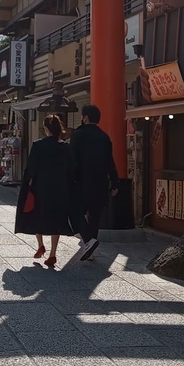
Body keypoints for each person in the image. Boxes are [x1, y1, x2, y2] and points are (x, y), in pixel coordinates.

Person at [15, 113, 74, 268]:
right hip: (60, 189)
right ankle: (53, 254)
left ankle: (40, 245)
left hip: (41, 187)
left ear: (46, 129)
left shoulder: (38, 145)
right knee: (57, 219)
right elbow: (71, 169)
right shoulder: (65, 147)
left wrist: (27, 183)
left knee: (37, 215)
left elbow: (31, 169)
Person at [69, 104, 120, 261]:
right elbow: (110, 162)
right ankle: (89, 248)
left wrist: (69, 179)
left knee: (73, 211)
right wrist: (115, 183)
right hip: (100, 183)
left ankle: (88, 241)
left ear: (85, 117)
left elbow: (72, 160)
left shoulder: (77, 135)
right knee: (94, 217)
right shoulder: (104, 137)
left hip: (81, 182)